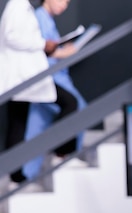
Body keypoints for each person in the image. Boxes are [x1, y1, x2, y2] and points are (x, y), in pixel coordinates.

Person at [0, 0, 71, 184]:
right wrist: (42, 44)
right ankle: (60, 152)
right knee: (69, 103)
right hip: (22, 77)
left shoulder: (24, 7)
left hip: (26, 76)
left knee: (17, 124)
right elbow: (11, 36)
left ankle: (16, 174)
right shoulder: (17, 5)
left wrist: (44, 47)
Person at [21, 0, 86, 181]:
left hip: (52, 77)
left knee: (38, 126)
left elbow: (47, 46)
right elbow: (39, 48)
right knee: (75, 107)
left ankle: (26, 175)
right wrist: (62, 53)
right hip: (46, 78)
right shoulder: (38, 17)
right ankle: (63, 156)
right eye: (62, 0)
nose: (64, 6)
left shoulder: (46, 19)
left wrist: (62, 49)